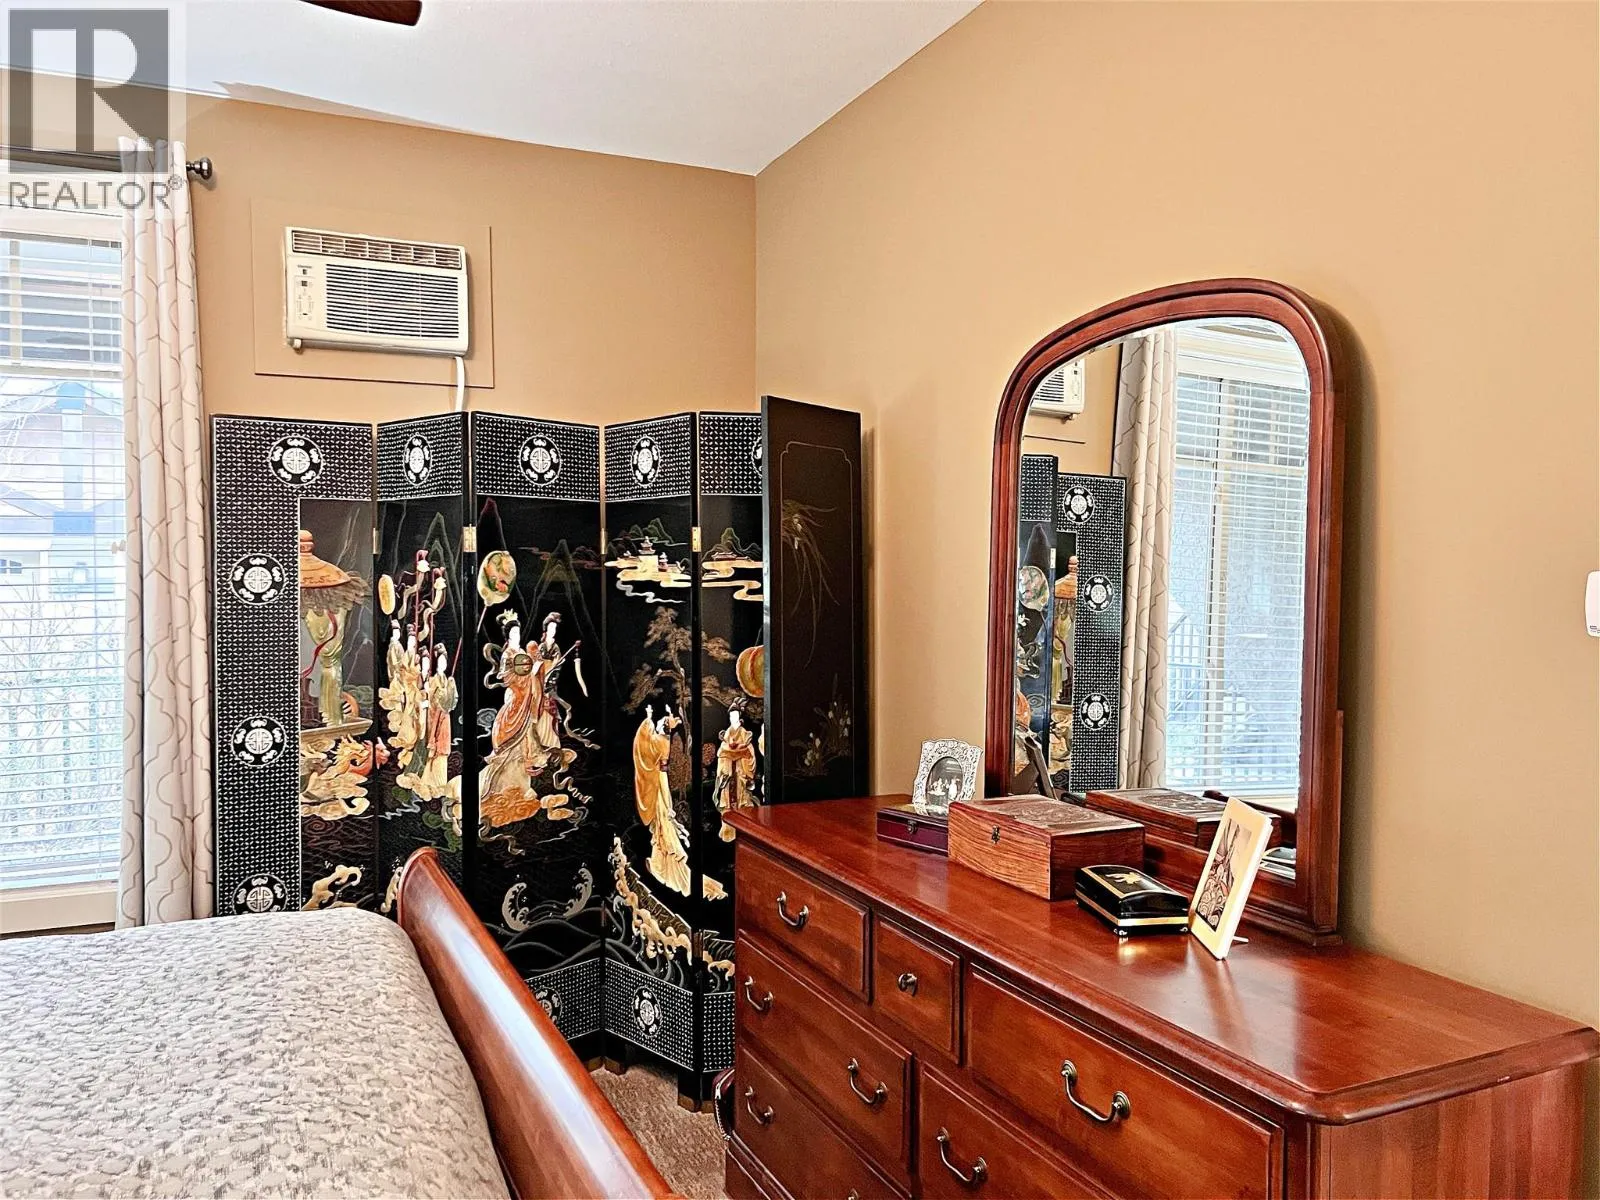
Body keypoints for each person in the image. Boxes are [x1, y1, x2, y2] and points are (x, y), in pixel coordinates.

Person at [713, 706, 758, 841]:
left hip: (739, 772)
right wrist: (724, 770)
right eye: (731, 716)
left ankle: (745, 832)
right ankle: (728, 831)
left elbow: (749, 753)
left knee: (743, 799)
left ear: (739, 717)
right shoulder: (727, 736)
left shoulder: (744, 734)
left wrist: (744, 766)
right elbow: (722, 754)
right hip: (729, 774)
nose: (734, 718)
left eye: (736, 715)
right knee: (727, 803)